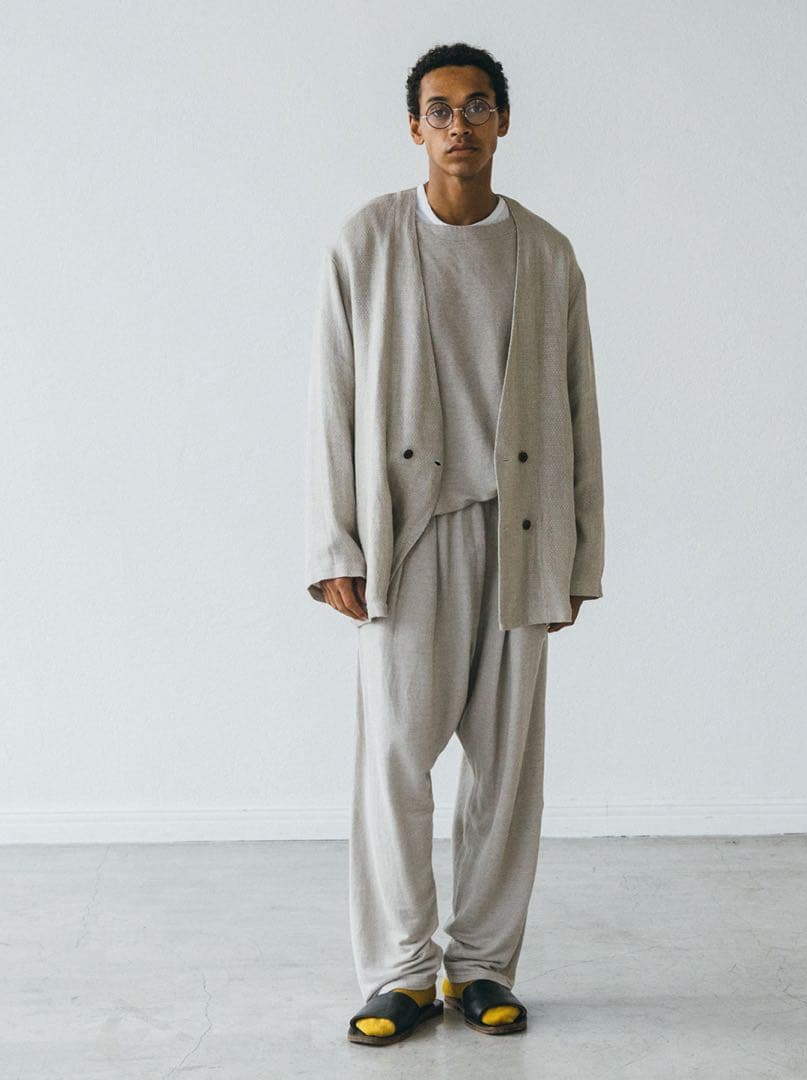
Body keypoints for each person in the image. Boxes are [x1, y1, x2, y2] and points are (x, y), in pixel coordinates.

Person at [304, 41, 606, 1045]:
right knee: (396, 758)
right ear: (414, 128)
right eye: (439, 109)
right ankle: (399, 971)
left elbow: (581, 410)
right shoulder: (366, 241)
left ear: (504, 121)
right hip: (408, 537)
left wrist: (581, 555)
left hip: (521, 535)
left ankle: (481, 967)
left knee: (506, 770)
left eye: (477, 107)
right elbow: (331, 402)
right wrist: (335, 544)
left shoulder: (547, 254)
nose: (459, 125)